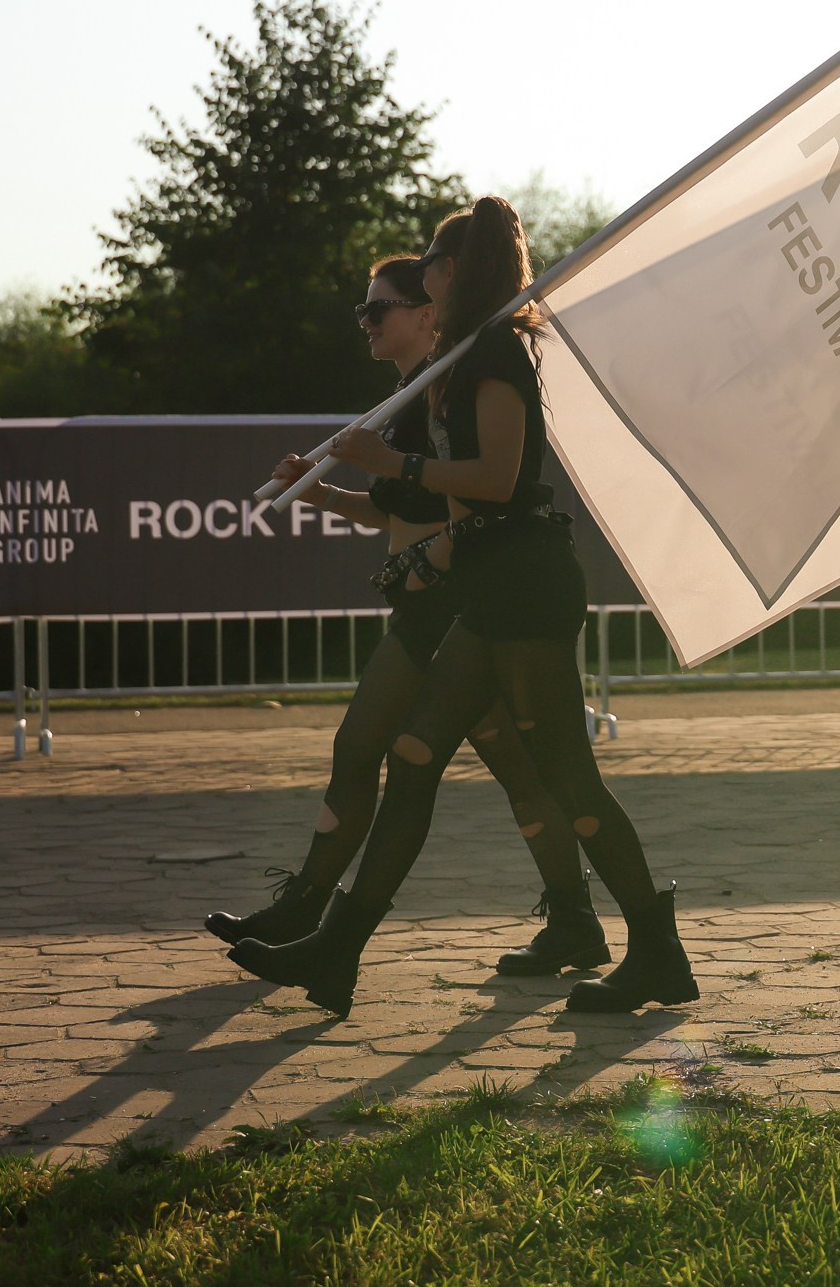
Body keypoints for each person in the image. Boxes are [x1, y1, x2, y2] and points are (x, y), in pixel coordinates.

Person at [232, 198, 696, 1018]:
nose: (423, 276)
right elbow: (472, 496)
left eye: (430, 264)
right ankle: (335, 954)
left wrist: (394, 465)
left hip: (526, 591)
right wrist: (395, 495)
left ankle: (656, 950)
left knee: (567, 777)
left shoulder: (498, 358)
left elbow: (500, 481)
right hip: (494, 589)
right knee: (414, 759)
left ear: (452, 272)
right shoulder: (466, 357)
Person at [204, 256, 611, 981]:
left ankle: (315, 915)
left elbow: (469, 497)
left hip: (449, 608)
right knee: (515, 772)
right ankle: (575, 919)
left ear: (427, 314)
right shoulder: (421, 392)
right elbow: (400, 507)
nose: (365, 322)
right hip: (438, 603)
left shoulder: (445, 391)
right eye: (363, 312)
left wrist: (405, 508)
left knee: (369, 749)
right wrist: (322, 493)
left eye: (378, 309)